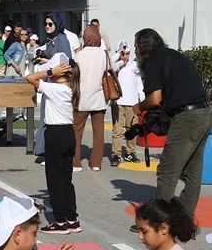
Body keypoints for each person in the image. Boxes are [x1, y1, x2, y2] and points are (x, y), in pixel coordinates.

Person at [136, 29, 212, 218]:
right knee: (192, 173)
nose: (135, 51)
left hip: (187, 118)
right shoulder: (174, 56)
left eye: (136, 46)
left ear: (144, 47)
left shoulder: (153, 60)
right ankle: (183, 219)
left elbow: (154, 98)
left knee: (167, 172)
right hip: (205, 114)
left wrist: (139, 107)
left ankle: (159, 221)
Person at [27, 54, 80, 234]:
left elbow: (30, 78)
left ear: (61, 71)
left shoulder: (55, 89)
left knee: (54, 179)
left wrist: (50, 71)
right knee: (66, 179)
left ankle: (59, 221)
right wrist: (54, 71)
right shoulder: (71, 87)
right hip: (68, 134)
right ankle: (72, 218)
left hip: (55, 134)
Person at [72, 25, 109, 171]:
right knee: (98, 132)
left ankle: (76, 163)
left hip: (81, 98)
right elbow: (112, 68)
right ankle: (95, 163)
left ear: (85, 38)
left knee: (76, 131)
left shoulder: (79, 55)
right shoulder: (104, 54)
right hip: (99, 99)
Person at [110, 41, 141, 166]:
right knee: (117, 130)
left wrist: (141, 98)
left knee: (131, 129)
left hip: (132, 102)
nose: (125, 56)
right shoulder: (116, 65)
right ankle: (116, 154)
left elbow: (139, 83)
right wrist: (118, 56)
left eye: (127, 53)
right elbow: (109, 64)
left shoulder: (135, 66)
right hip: (118, 102)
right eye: (123, 53)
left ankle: (130, 152)